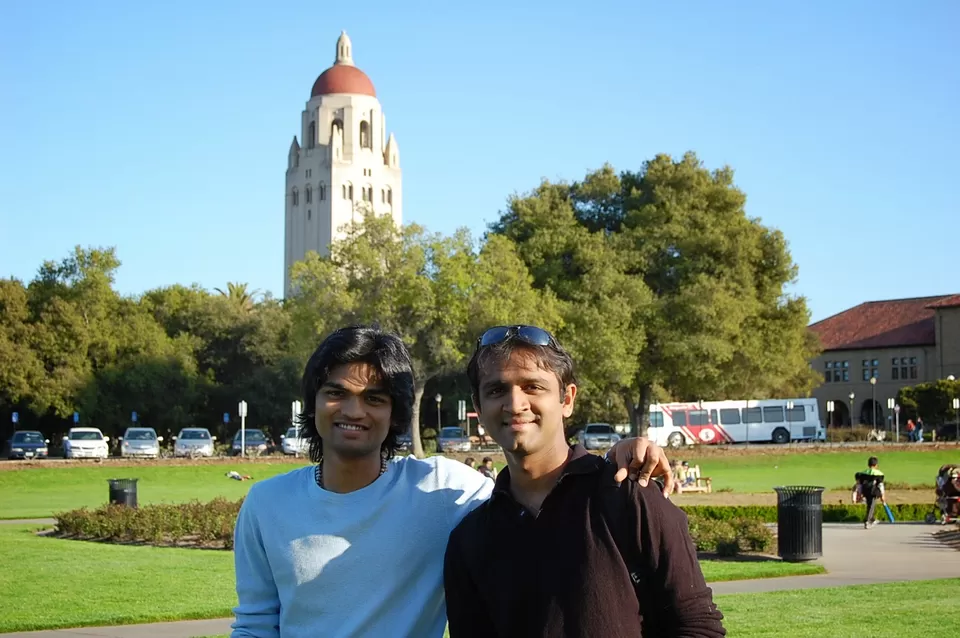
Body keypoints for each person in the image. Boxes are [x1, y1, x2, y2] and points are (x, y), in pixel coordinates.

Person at [231, 325, 675, 638]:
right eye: (336, 393)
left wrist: (621, 452)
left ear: (395, 414)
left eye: (374, 398)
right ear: (312, 402)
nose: (353, 411)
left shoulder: (441, 489)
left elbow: (542, 486)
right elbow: (254, 625)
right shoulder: (266, 504)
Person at [443, 325, 725, 637]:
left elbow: (699, 626)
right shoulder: (470, 539)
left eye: (533, 387)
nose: (515, 403)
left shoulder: (629, 496)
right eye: (497, 390)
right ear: (479, 409)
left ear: (567, 400)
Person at [854, 456, 886, 529]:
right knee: (872, 506)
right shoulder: (879, 474)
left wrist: (860, 493)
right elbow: (880, 485)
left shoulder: (862, 473)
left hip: (866, 491)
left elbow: (860, 485)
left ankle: (872, 519)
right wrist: (883, 495)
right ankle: (867, 521)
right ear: (876, 465)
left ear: (868, 465)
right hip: (874, 492)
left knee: (870, 506)